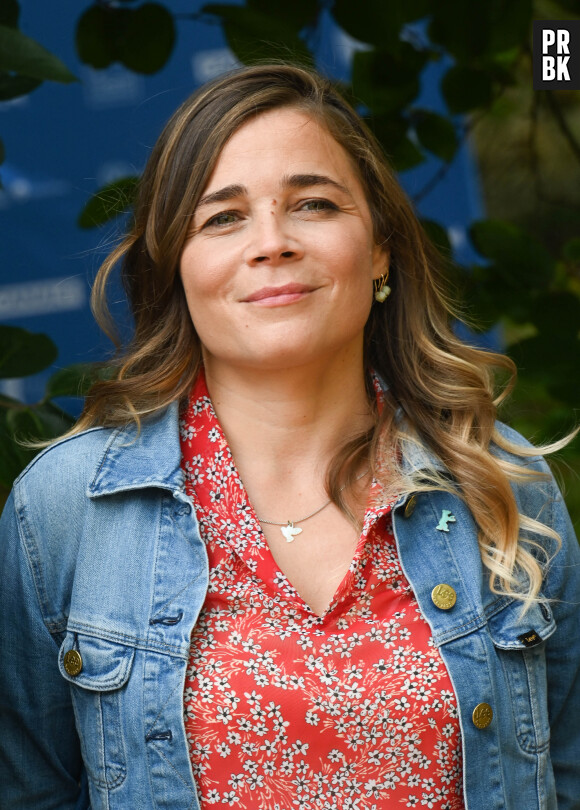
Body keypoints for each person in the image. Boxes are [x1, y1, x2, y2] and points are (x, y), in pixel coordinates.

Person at [0, 63, 578, 810]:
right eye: (222, 217)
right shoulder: (65, 511)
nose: (272, 242)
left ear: (379, 251)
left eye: (312, 203)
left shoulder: (503, 486)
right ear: (177, 267)